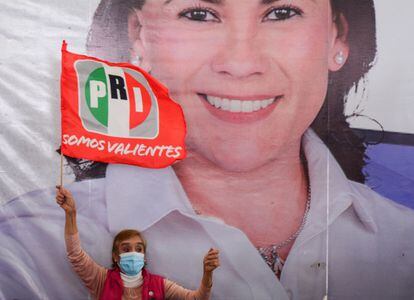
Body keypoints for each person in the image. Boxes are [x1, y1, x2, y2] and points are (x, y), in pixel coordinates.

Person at [1, 0, 414, 299]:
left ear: (337, 37)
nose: (240, 62)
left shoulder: (405, 242)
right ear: (137, 37)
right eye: (199, 14)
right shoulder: (29, 246)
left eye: (281, 12)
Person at [55, 186, 219, 300]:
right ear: (116, 256)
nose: (133, 253)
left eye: (138, 249)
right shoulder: (101, 280)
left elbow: (197, 298)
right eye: (126, 249)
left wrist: (207, 274)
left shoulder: (160, 285)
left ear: (144, 256)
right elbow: (75, 254)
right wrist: (71, 214)